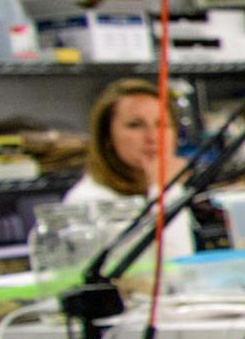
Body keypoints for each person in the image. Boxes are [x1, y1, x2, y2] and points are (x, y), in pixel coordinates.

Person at [63, 78, 195, 263]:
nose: (152, 137)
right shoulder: (88, 201)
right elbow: (172, 266)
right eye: (135, 125)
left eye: (162, 124)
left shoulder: (160, 188)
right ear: (107, 137)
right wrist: (165, 190)